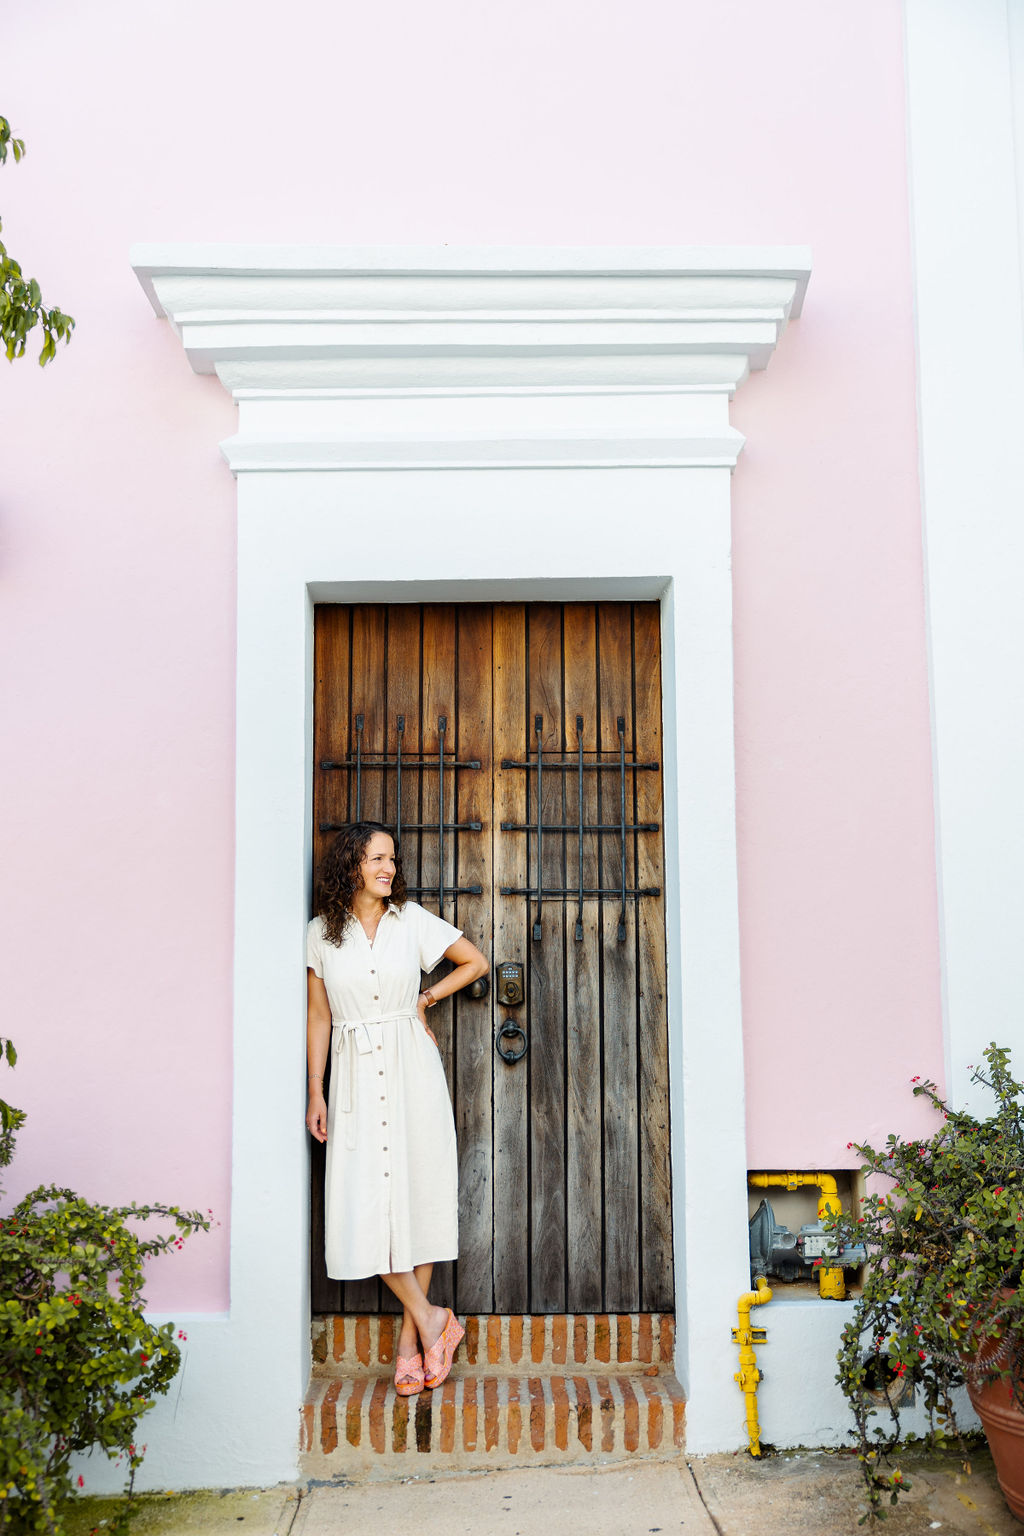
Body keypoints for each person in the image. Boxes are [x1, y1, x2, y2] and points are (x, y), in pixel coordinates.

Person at [306, 821, 488, 1396]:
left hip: (412, 1066)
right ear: (350, 865)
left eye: (392, 859)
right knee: (366, 1204)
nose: (388, 868)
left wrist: (425, 998)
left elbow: (474, 963)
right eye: (376, 858)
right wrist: (316, 1087)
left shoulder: (412, 922)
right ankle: (436, 1319)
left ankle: (411, 1343)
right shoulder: (319, 935)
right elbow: (318, 1016)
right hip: (355, 1074)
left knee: (417, 1196)